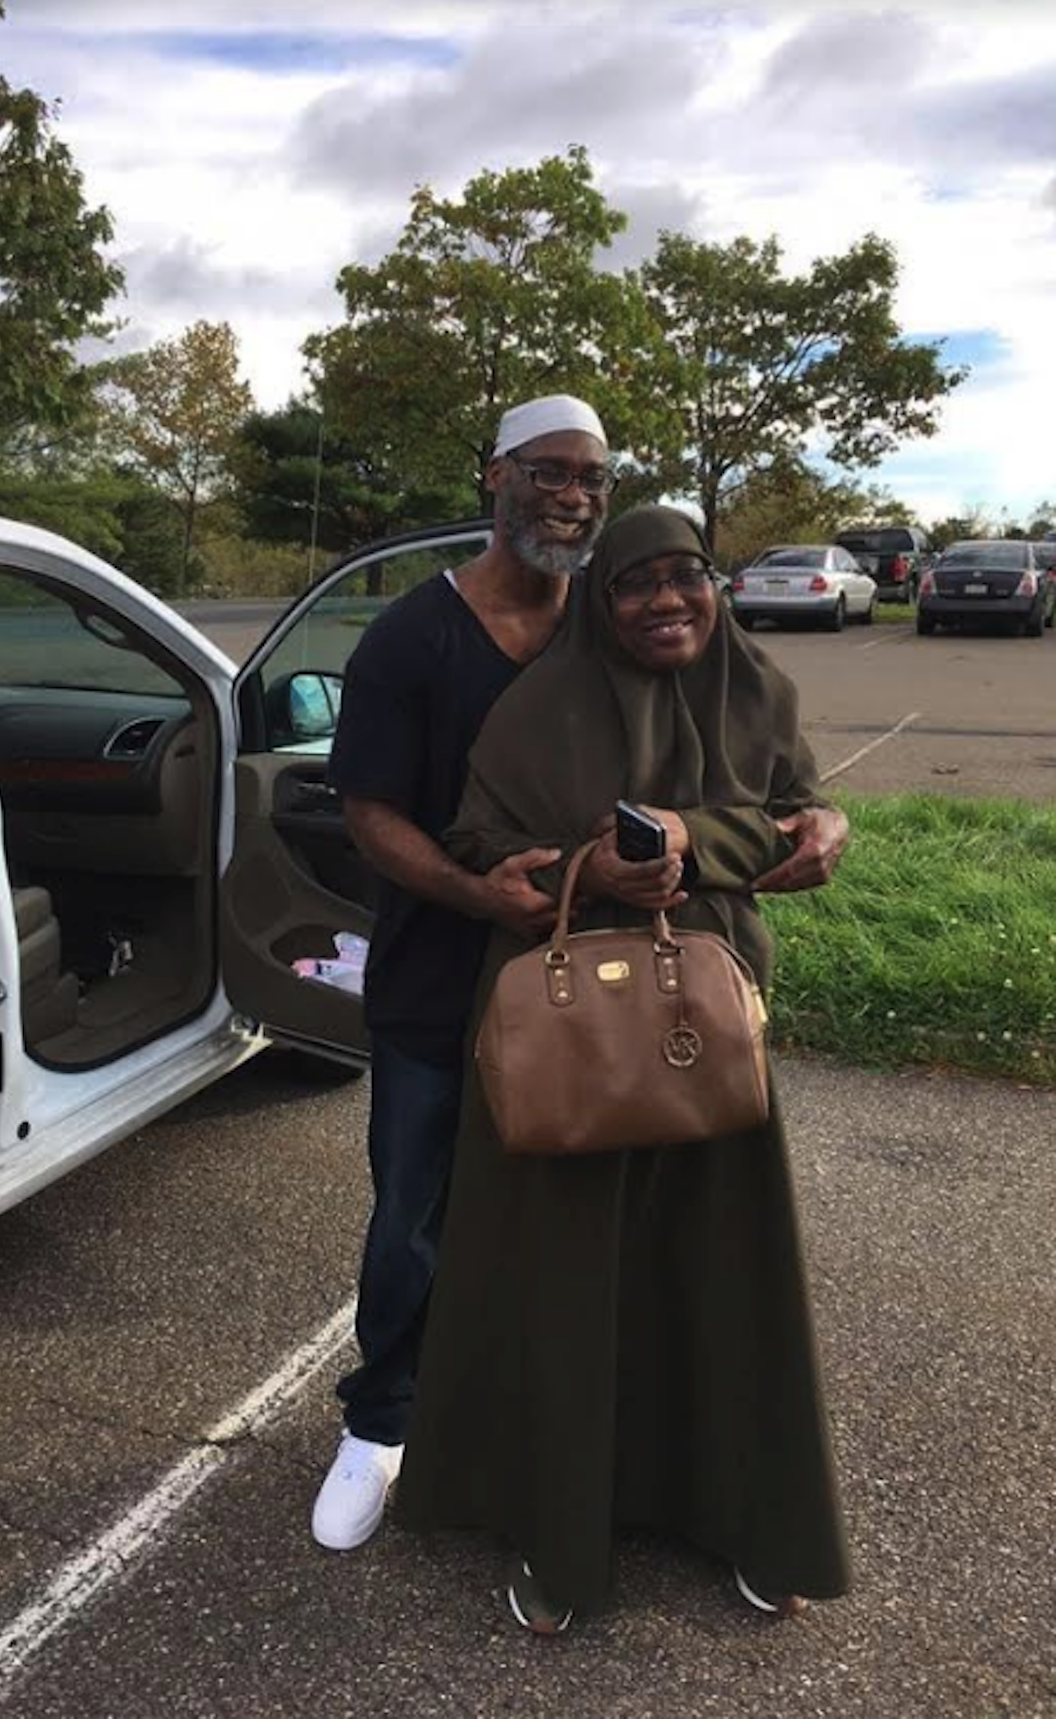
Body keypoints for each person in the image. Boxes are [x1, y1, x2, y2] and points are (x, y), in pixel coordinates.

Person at [395, 504, 852, 1631]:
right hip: (568, 1046)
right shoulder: (535, 710)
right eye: (634, 584)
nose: (664, 601)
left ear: (712, 585)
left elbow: (790, 816)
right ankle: (558, 1538)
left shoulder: (758, 692)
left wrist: (783, 831)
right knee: (561, 1284)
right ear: (599, 606)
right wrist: (587, 866)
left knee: (717, 1280)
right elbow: (475, 845)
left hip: (705, 1029)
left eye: (684, 577)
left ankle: (748, 1518)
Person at [310, 394, 617, 1551]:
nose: (571, 495)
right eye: (546, 472)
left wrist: (804, 808)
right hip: (439, 980)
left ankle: (553, 1414)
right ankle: (378, 1423)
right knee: (415, 1212)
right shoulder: (410, 637)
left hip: (592, 980)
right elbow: (368, 814)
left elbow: (719, 739)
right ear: (492, 479)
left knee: (571, 1209)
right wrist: (475, 893)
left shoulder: (609, 623)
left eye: (589, 476)